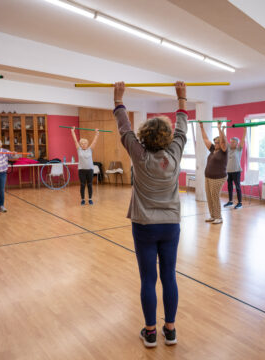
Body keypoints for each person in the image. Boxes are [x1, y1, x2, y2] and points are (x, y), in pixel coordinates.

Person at [113, 81, 187, 348]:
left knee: (148, 279)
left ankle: (151, 332)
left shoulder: (139, 155)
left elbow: (124, 128)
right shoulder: (176, 154)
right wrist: (181, 99)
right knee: (169, 276)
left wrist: (118, 99)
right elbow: (182, 127)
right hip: (170, 226)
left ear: (144, 136)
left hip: (144, 226)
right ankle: (171, 330)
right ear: (167, 137)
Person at [199, 121, 228, 224]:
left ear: (221, 144)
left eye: (217, 142)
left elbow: (224, 141)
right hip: (208, 177)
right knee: (209, 196)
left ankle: (219, 217)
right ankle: (213, 216)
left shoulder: (224, 151)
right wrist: (201, 127)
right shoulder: (212, 150)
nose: (215, 144)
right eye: (215, 142)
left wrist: (220, 128)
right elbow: (205, 139)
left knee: (215, 196)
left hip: (218, 177)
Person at [70, 127, 99, 205]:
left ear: (87, 144)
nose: (83, 145)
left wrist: (97, 133)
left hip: (90, 170)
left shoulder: (90, 149)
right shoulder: (79, 149)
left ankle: (90, 199)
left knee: (89, 185)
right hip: (81, 170)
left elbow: (95, 142)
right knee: (82, 185)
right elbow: (75, 140)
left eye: (85, 143)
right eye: (82, 143)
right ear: (80, 144)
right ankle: (82, 199)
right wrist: (72, 131)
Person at [223, 129, 246, 209]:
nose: (231, 143)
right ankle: (230, 201)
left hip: (236, 171)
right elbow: (224, 138)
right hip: (228, 171)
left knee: (237, 187)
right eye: (231, 142)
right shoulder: (229, 148)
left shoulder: (239, 149)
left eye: (233, 142)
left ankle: (240, 203)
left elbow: (243, 139)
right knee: (229, 186)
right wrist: (221, 129)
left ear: (237, 143)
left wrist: (245, 129)